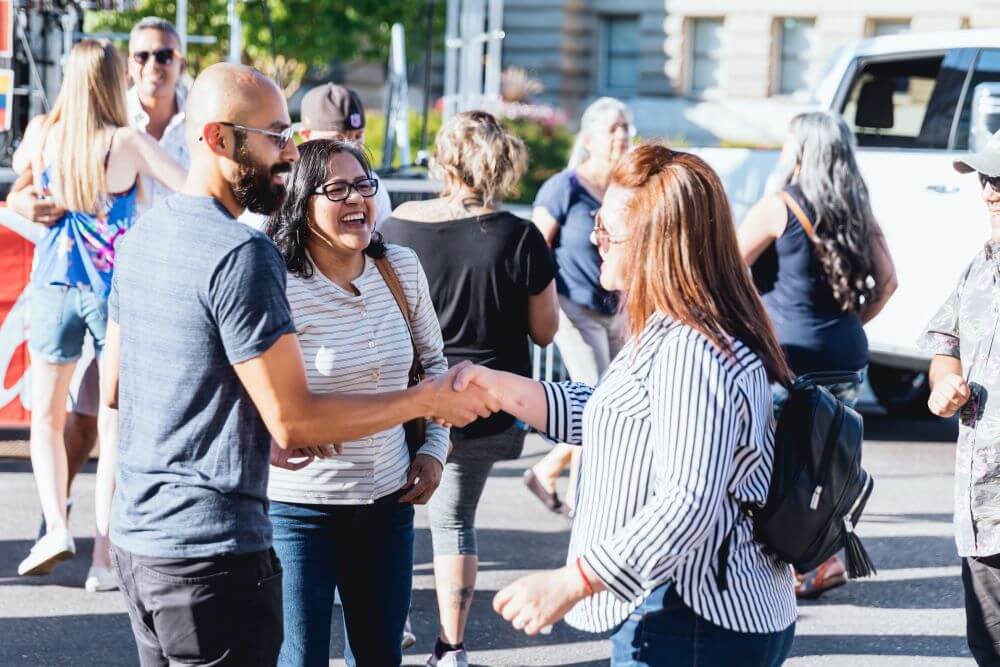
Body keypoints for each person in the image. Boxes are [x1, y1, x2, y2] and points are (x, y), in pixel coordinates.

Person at [103, 63, 497, 667]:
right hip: (215, 548)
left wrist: (426, 443)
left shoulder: (143, 238)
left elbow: (117, 387)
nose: (287, 153)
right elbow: (295, 423)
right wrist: (426, 402)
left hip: (142, 543)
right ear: (218, 138)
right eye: (275, 135)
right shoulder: (244, 253)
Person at [451, 144, 798, 666]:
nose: (595, 240)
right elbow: (617, 417)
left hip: (691, 614)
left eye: (609, 229)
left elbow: (688, 501)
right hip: (685, 609)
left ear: (658, 242)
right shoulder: (677, 330)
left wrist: (574, 581)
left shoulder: (691, 347)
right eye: (596, 221)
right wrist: (496, 387)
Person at [7, 16, 191, 593]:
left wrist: (33, 193)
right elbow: (192, 188)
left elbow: (17, 181)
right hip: (115, 296)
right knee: (113, 429)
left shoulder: (44, 133)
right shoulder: (126, 142)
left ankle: (56, 525)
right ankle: (104, 557)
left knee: (48, 416)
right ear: (117, 79)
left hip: (55, 287)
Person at [260, 138, 449, 666]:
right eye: (337, 188)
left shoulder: (401, 267)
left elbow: (434, 366)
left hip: (389, 503)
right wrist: (266, 433)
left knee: (380, 655)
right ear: (302, 201)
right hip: (298, 511)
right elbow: (244, 380)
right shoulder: (277, 279)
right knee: (300, 658)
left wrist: (434, 449)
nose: (356, 200)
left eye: (364, 185)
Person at [382, 110, 558, 666]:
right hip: (485, 406)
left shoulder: (397, 228)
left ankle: (386, 628)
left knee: (386, 518)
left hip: (403, 400)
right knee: (455, 522)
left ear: (442, 159)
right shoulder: (519, 236)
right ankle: (451, 649)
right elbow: (545, 329)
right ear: (504, 162)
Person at [737, 110, 897, 598]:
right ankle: (822, 560)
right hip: (846, 358)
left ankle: (784, 564)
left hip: (789, 361)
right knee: (828, 463)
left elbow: (726, 268)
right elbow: (889, 282)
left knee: (774, 462)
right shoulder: (859, 209)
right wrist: (852, 324)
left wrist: (753, 323)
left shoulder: (777, 207)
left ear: (802, 150)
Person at [524, 97, 632, 516]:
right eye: (613, 129)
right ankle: (584, 501)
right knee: (597, 402)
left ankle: (547, 469)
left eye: (626, 127)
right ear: (589, 139)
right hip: (573, 309)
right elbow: (533, 248)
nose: (622, 136)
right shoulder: (563, 187)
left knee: (622, 399)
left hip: (617, 310)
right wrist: (540, 308)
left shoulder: (623, 189)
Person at [923, 128, 1000, 666]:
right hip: (982, 504)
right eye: (986, 177)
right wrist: (941, 388)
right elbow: (945, 344)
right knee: (990, 646)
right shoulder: (980, 265)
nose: (990, 189)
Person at [299, 83, 392, 226]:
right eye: (338, 139)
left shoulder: (372, 185)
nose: (352, 146)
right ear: (306, 135)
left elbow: (382, 238)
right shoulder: (286, 183)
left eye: (358, 135)